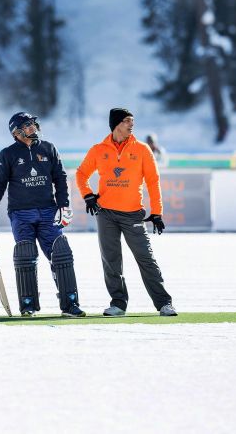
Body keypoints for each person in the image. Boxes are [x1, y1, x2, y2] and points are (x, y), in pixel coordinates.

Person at [0, 112, 85, 317]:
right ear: (16, 132)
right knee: (26, 256)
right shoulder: (8, 154)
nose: (33, 128)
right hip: (21, 214)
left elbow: (60, 178)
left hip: (48, 211)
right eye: (28, 125)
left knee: (60, 253)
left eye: (33, 124)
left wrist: (64, 205)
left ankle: (70, 304)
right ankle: (28, 305)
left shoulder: (49, 148)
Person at [76, 108, 177, 317]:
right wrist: (87, 195)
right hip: (106, 214)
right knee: (111, 261)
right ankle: (118, 304)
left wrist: (157, 212)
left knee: (145, 258)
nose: (131, 125)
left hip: (133, 214)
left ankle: (164, 303)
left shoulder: (142, 149)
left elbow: (153, 181)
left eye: (133, 121)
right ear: (115, 124)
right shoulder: (98, 149)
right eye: (126, 121)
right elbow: (81, 173)